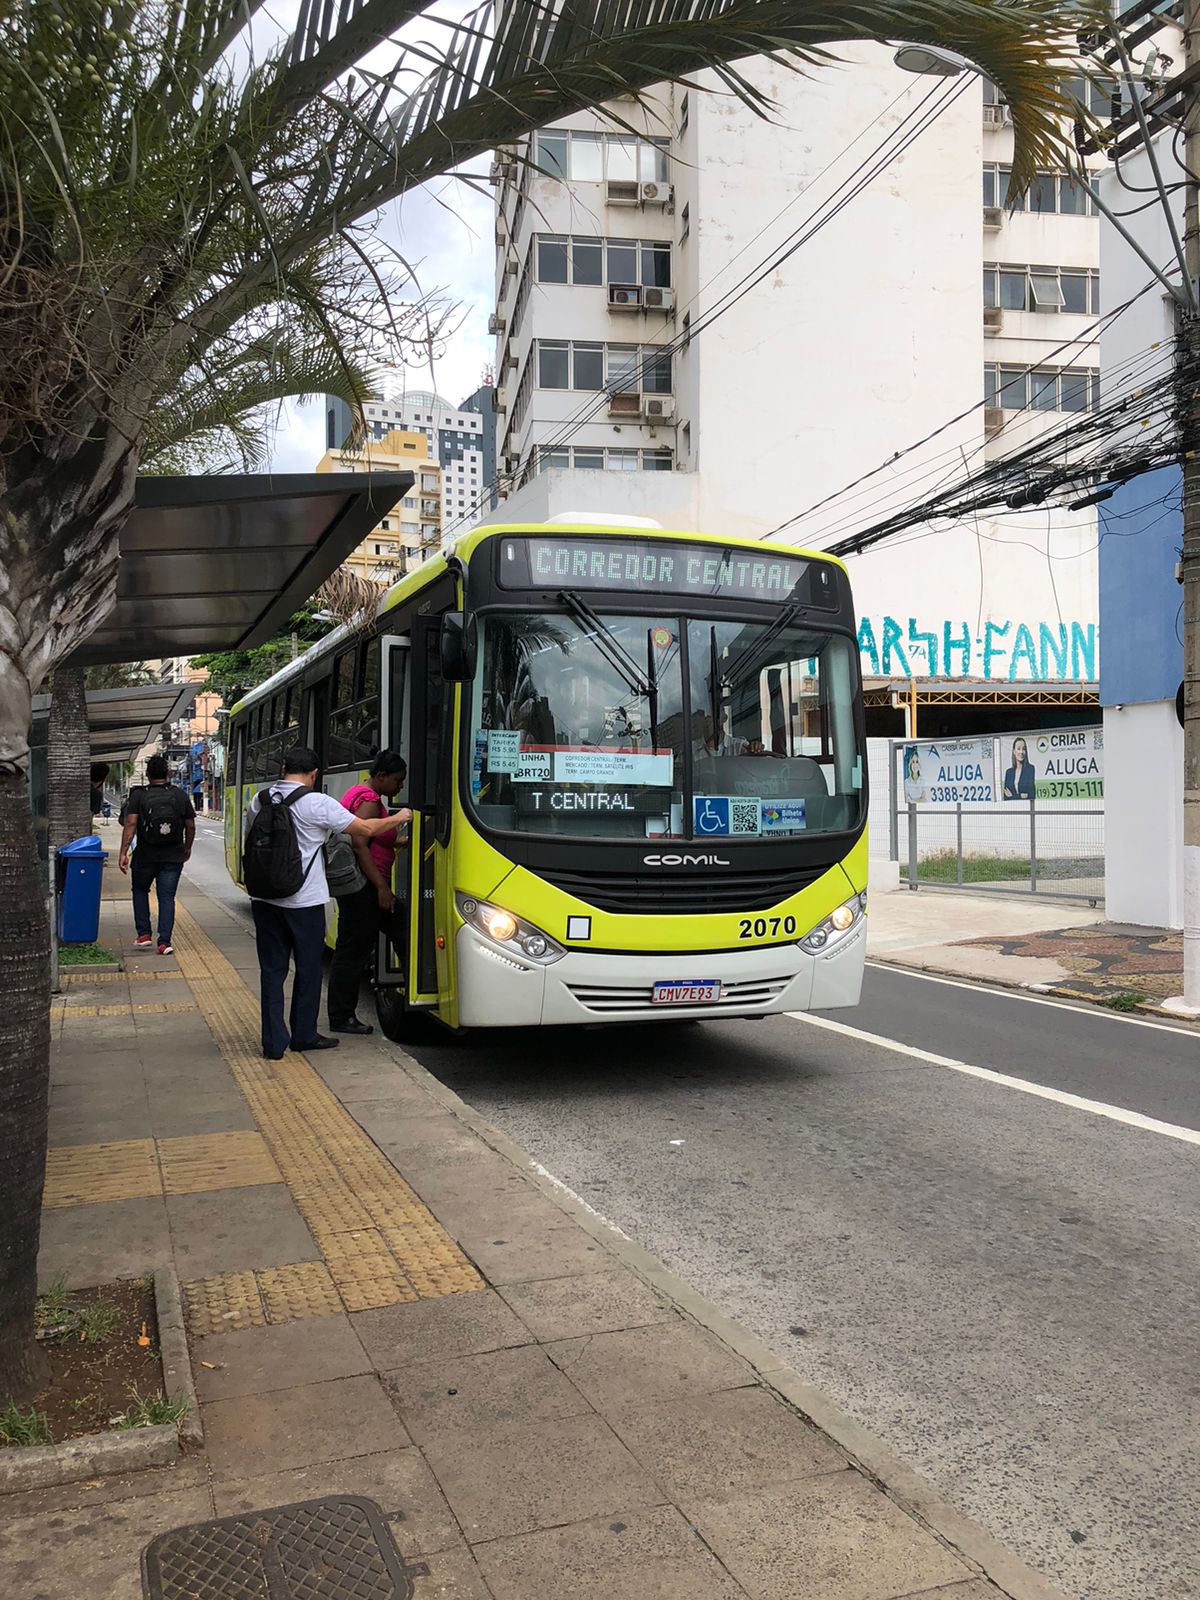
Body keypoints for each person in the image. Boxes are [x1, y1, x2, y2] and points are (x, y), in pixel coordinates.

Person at [248, 746, 410, 1061]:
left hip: (265, 899)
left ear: (284, 770)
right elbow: (365, 830)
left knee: (272, 971)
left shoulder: (260, 800)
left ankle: (273, 1042)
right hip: (303, 900)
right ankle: (303, 1035)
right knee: (308, 969)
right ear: (313, 774)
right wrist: (401, 817)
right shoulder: (317, 803)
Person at [327, 753, 409, 1036]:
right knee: (353, 951)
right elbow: (360, 843)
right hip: (366, 887)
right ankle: (341, 1016)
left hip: (362, 887)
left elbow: (371, 839)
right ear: (382, 776)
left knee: (363, 943)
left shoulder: (357, 792)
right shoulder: (370, 800)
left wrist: (396, 843)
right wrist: (382, 888)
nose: (400, 787)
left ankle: (343, 1013)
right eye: (397, 780)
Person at [119, 754, 196, 955]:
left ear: (147, 774)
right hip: (173, 856)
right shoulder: (179, 795)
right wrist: (187, 847)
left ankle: (144, 934)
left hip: (145, 856)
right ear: (167, 773)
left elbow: (130, 823)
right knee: (167, 897)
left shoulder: (139, 796)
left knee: (139, 890)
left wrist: (123, 852)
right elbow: (190, 825)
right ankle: (164, 942)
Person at [1003, 736, 1035, 801]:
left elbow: (1031, 795)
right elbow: (1006, 797)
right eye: (1018, 749)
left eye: (1024, 749)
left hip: (1026, 806)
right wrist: (1020, 796)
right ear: (1014, 751)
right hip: (1011, 807)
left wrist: (1012, 796)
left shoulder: (1030, 769)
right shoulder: (1008, 772)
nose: (1021, 752)